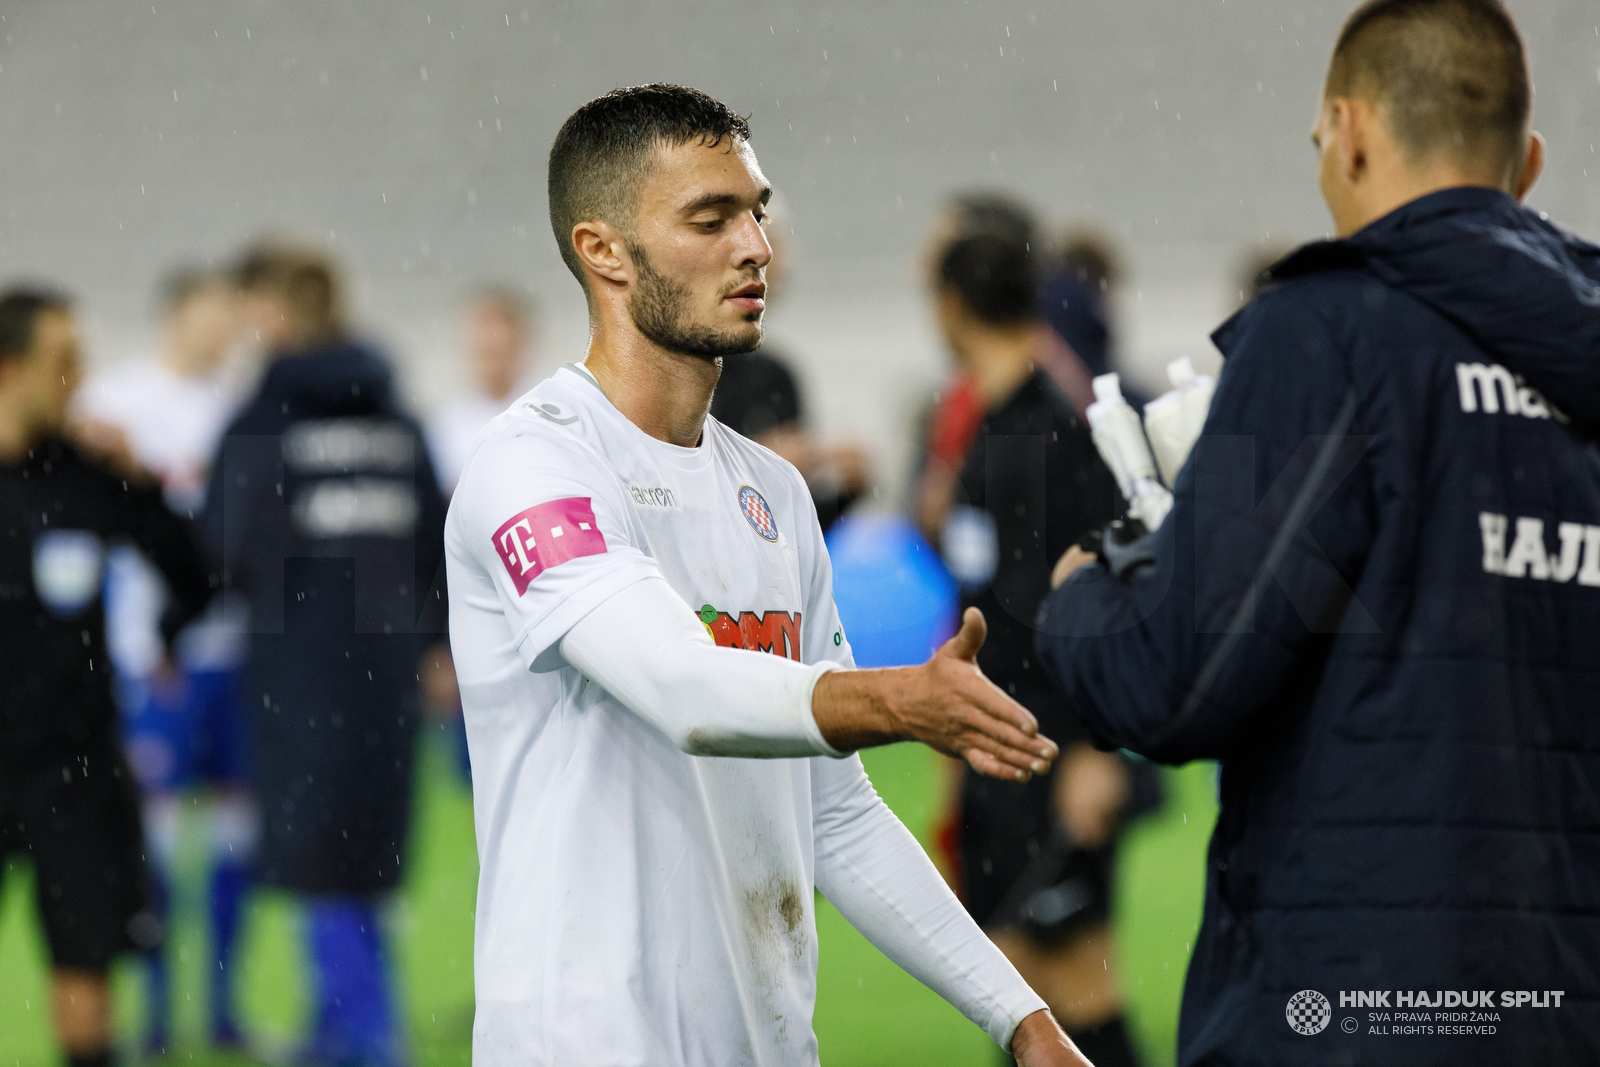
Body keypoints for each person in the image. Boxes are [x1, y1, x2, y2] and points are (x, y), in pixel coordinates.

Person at [445, 84, 1090, 1066]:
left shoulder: (774, 493)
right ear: (602, 249)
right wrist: (895, 698)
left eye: (755, 210)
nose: (755, 245)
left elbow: (837, 814)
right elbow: (682, 686)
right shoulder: (533, 464)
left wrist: (1022, 1017)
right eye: (710, 218)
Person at [1036, 2, 1599, 1064]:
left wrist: (1081, 597)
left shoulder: (1326, 330)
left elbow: (1177, 679)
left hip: (1353, 1003)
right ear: (1525, 161)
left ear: (1346, 130)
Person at [204, 242, 448, 1067]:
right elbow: (438, 543)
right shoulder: (394, 414)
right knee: (366, 855)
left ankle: (368, 1039)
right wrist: (435, 641)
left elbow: (222, 547)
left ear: (272, 313)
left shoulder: (261, 420)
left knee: (315, 854)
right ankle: (341, 1027)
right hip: (386, 670)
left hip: (297, 668)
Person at [930, 228, 1140, 1067]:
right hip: (1001, 753)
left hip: (1053, 754)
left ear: (949, 307)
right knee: (1015, 993)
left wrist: (1096, 747)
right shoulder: (995, 425)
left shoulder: (1055, 431)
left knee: (1073, 988)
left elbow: (1110, 593)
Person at [0, 288, 213, 1067]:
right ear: (9, 367)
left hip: (75, 769)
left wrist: (146, 484)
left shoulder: (89, 474)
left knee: (85, 974)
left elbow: (199, 577)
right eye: (62, 362)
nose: (78, 379)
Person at [74, 266, 255, 1052]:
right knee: (148, 847)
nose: (223, 332)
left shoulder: (242, 411)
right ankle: (149, 1018)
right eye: (212, 316)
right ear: (177, 316)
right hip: (153, 665)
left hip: (235, 656)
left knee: (234, 843)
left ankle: (219, 1009)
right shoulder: (117, 407)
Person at [709, 195, 870, 532]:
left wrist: (847, 488)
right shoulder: (679, 370)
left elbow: (791, 529)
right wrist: (763, 465)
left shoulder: (774, 375)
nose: (767, 259)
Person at [426, 286, 538, 497]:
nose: (488, 340)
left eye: (497, 337)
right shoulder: (444, 425)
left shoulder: (552, 409)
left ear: (520, 341)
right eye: (480, 332)